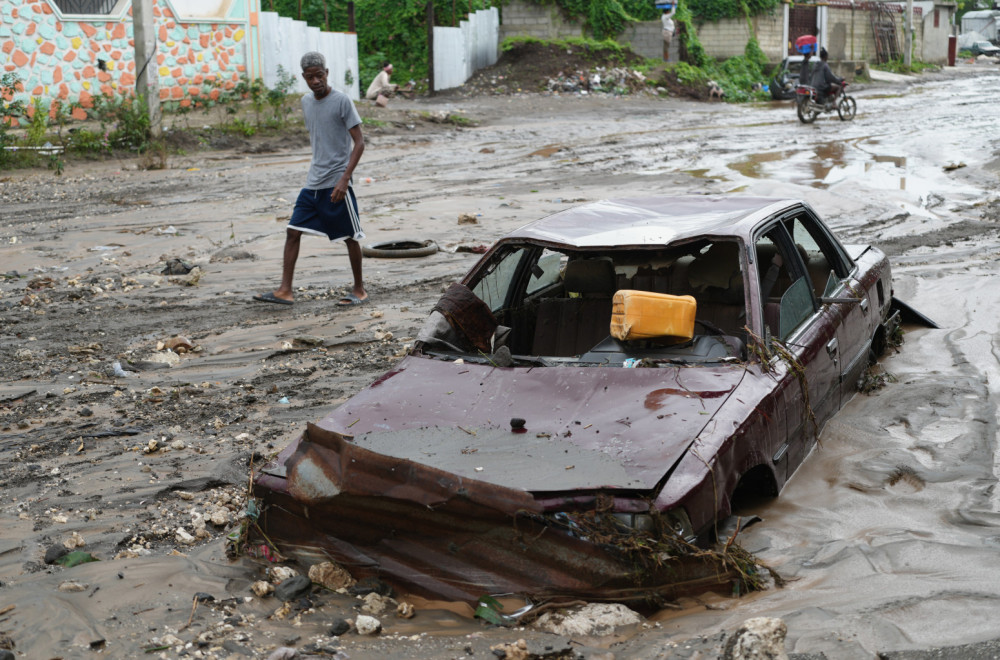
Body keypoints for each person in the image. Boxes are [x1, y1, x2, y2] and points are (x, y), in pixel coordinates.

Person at [253, 51, 368, 307]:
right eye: (310, 77)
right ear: (303, 78)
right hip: (313, 184)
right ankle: (285, 290)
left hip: (337, 183)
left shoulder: (342, 102)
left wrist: (344, 179)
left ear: (327, 74)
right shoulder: (306, 102)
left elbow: (359, 143)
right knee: (293, 231)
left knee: (350, 237)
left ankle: (359, 290)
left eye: (319, 75)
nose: (315, 81)